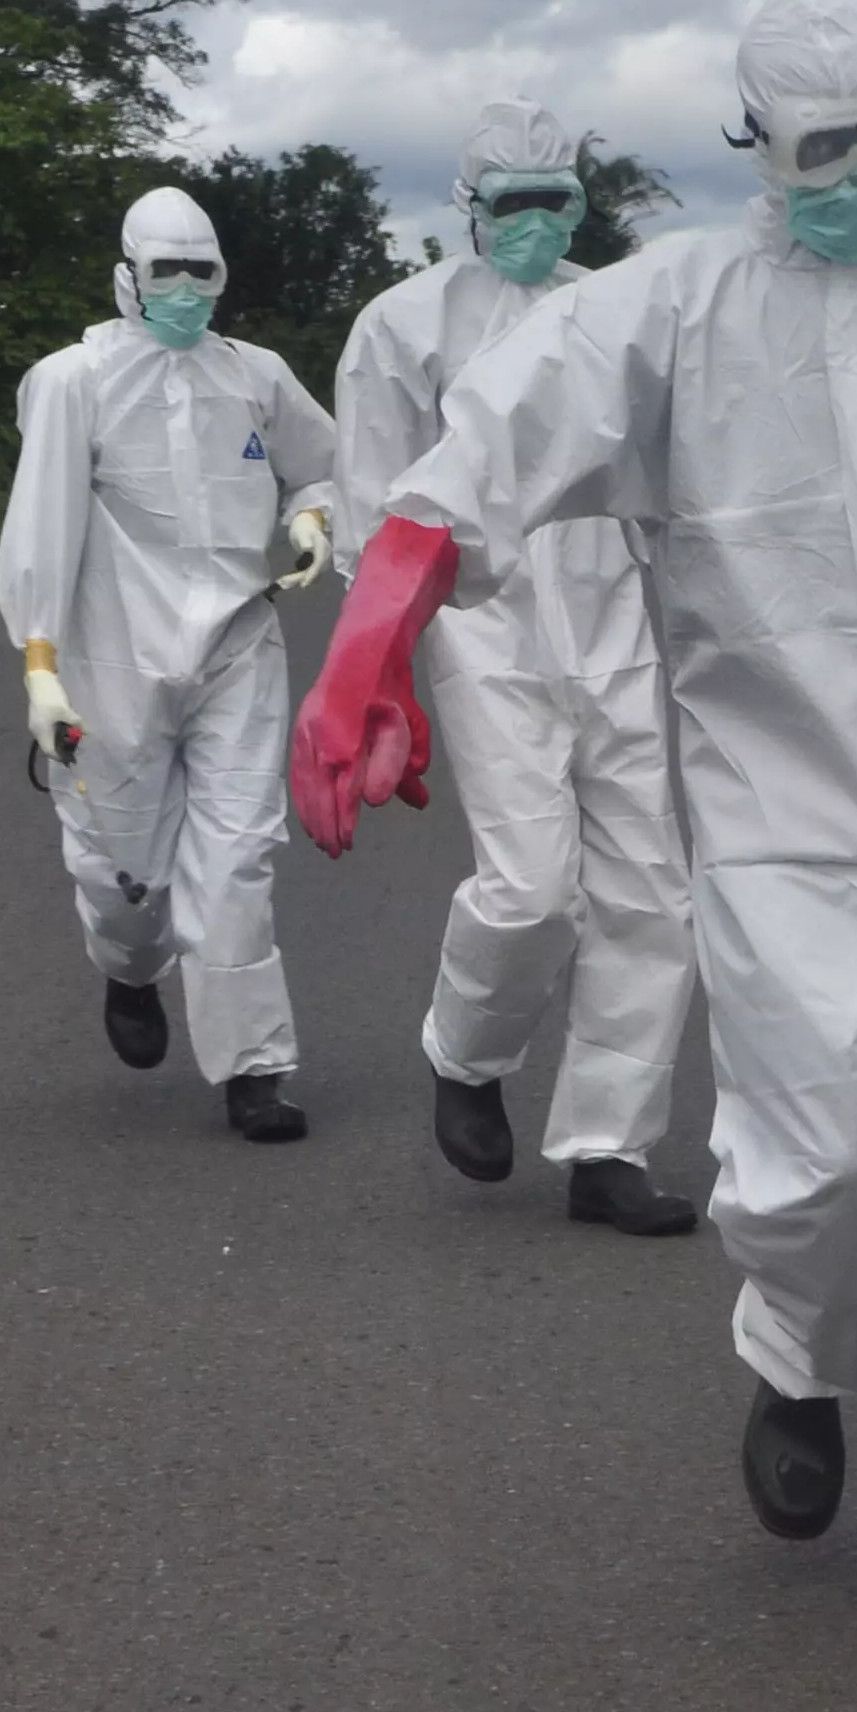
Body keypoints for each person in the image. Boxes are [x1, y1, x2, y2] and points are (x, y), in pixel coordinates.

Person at [290, 0, 857, 1642]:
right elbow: (483, 451)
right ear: (762, 153)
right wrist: (372, 637)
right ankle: (797, 1359)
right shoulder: (669, 308)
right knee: (811, 1177)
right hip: (774, 831)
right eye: (828, 151)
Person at [332, 101, 699, 1237]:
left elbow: (673, 473)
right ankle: (469, 1050)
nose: (535, 222)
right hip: (483, 626)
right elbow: (370, 510)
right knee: (534, 886)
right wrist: (375, 669)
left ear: (581, 200)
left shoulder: (623, 311)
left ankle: (607, 1145)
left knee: (652, 898)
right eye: (512, 202)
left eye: (557, 200)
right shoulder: (402, 327)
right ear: (469, 207)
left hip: (616, 617)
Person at [0, 189, 343, 1142]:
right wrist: (40, 666)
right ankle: (129, 966)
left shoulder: (256, 376)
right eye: (167, 271)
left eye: (204, 271)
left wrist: (309, 515)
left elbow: (320, 463)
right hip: (111, 660)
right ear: (126, 278)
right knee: (122, 871)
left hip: (236, 644)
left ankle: (254, 1068)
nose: (187, 290)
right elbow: (41, 528)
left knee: (237, 858)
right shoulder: (75, 381)